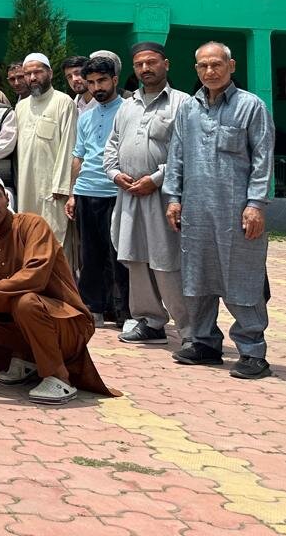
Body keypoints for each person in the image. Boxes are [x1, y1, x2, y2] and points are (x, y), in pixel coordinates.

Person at [0, 170, 116, 405]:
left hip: (67, 322)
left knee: (26, 302)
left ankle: (59, 378)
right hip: (23, 322)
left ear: (7, 198)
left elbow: (35, 277)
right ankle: (25, 361)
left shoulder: (33, 225)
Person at [164, 42, 274, 379]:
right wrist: (173, 197)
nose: (210, 71)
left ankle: (252, 352)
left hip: (237, 212)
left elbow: (263, 159)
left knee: (243, 277)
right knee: (197, 277)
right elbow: (176, 155)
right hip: (196, 210)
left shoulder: (250, 106)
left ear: (231, 66)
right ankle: (204, 343)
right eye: (203, 66)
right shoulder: (189, 109)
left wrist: (256, 204)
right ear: (196, 69)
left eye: (216, 64)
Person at [105, 41, 191, 347]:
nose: (145, 68)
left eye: (151, 62)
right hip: (128, 195)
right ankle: (150, 321)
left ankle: (191, 330)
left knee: (167, 261)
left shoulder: (182, 104)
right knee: (136, 259)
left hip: (164, 196)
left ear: (166, 64)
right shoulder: (127, 105)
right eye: (140, 64)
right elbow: (112, 145)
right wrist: (115, 174)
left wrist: (155, 179)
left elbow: (186, 152)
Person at [68, 55, 128, 326]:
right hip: (86, 191)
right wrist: (72, 193)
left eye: (102, 81)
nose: (96, 87)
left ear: (114, 79)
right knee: (89, 255)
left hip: (117, 191)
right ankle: (93, 308)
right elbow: (78, 156)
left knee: (119, 255)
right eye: (91, 82)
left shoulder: (128, 110)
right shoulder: (86, 116)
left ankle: (124, 311)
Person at [14, 53, 77, 247]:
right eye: (27, 74)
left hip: (53, 189)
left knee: (55, 240)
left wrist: (62, 186)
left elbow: (69, 145)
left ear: (50, 73)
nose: (32, 78)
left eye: (38, 72)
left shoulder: (63, 102)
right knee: (28, 237)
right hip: (26, 185)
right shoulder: (20, 107)